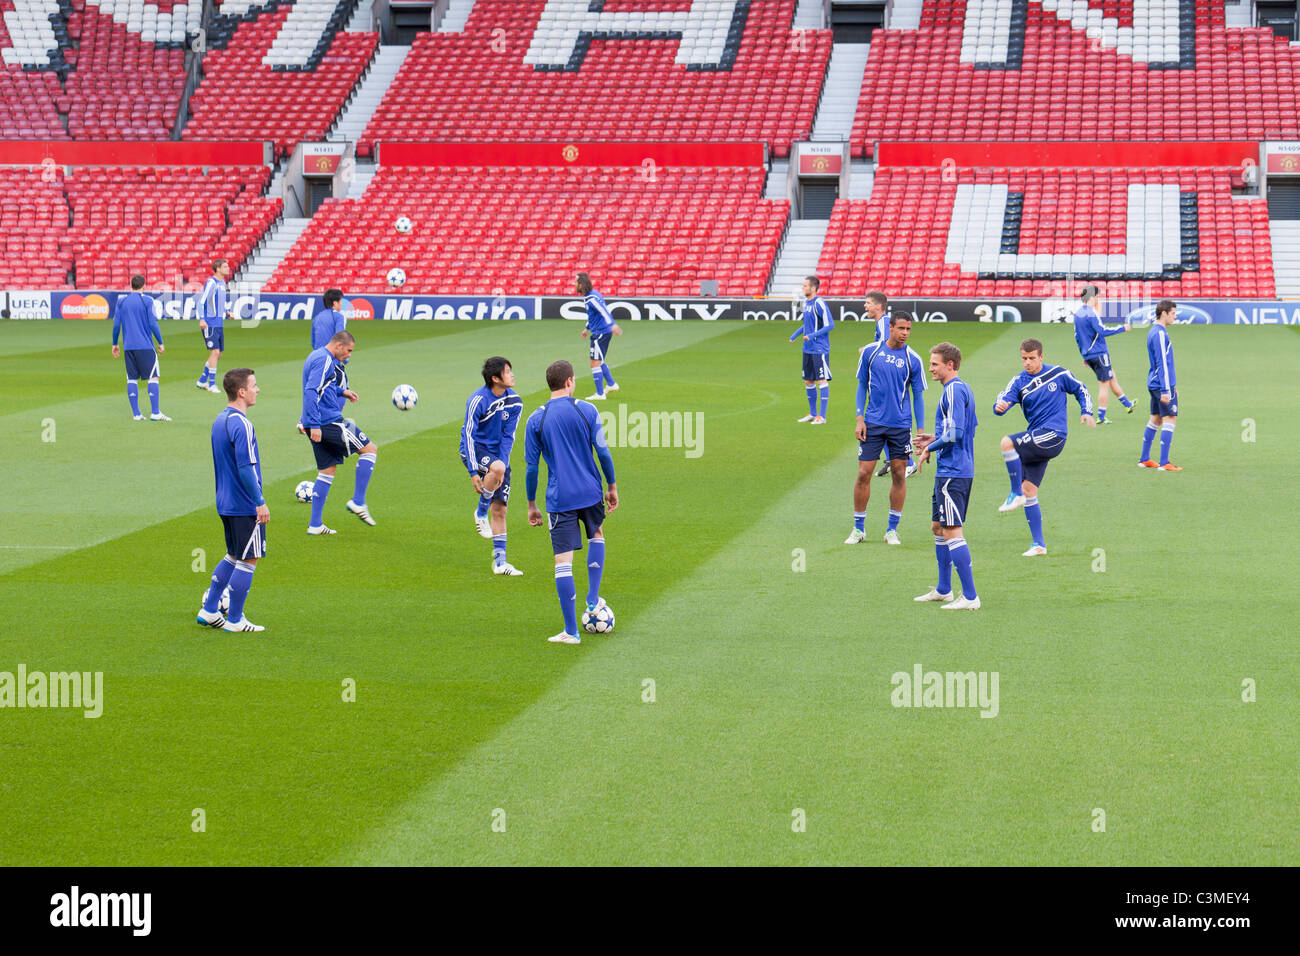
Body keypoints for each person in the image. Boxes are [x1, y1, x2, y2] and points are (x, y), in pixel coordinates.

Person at [525, 360, 618, 644]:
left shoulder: (536, 419)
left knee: (563, 561)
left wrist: (531, 503)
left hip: (560, 497)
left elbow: (531, 468)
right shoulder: (587, 409)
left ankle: (572, 631)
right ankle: (592, 599)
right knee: (597, 534)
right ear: (569, 382)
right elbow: (602, 452)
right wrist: (611, 485)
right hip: (591, 491)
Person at [993, 338, 1095, 556]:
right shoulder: (1019, 381)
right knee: (1030, 490)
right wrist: (999, 407)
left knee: (1007, 443)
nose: (1027, 363)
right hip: (1037, 437)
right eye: (1024, 358)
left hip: (1054, 434)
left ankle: (1014, 494)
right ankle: (1038, 545)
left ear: (1041, 356)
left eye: (1031, 358)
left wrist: (1087, 411)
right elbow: (1003, 399)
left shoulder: (1058, 373)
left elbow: (1081, 389)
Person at [198, 368, 268, 632]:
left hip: (224, 501)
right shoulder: (243, 424)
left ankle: (209, 609)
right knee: (249, 559)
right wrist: (259, 501)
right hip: (243, 503)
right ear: (242, 392)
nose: (257, 389)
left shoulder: (220, 419)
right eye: (254, 385)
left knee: (232, 554)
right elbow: (245, 467)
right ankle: (236, 620)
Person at [849, 310, 926, 546]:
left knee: (899, 473)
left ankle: (892, 530)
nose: (905, 333)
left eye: (909, 329)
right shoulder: (871, 352)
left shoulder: (913, 359)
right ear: (890, 328)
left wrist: (921, 431)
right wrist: (859, 418)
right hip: (872, 422)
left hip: (900, 426)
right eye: (901, 328)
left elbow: (918, 396)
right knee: (864, 473)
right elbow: (862, 385)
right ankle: (858, 528)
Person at [914, 343, 980, 609]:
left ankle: (971, 597)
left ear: (950, 365)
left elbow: (957, 433)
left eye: (934, 364)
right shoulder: (958, 390)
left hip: (955, 472)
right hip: (949, 470)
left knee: (952, 531)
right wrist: (934, 437)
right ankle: (944, 589)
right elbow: (959, 430)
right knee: (938, 527)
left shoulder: (953, 390)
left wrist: (930, 447)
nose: (930, 368)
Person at [301, 331, 378, 533]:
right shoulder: (325, 360)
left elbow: (324, 385)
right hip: (328, 421)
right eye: (349, 350)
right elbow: (311, 390)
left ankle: (315, 524)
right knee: (370, 450)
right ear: (338, 346)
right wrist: (314, 424)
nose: (349, 355)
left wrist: (341, 391)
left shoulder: (316, 356)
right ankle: (358, 501)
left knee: (327, 470)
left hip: (318, 421)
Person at [461, 356, 524, 575]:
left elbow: (509, 437)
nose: (512, 374)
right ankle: (480, 511)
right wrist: (472, 470)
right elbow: (468, 434)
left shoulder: (515, 401)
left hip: (498, 457)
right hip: (474, 450)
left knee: (501, 509)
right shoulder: (478, 399)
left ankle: (499, 563)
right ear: (495, 378)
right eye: (508, 371)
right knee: (496, 469)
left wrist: (503, 465)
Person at [1072, 284, 1134, 423]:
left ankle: (1128, 404)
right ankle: (1100, 417)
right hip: (1099, 353)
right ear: (1092, 297)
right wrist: (1122, 328)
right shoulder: (1091, 313)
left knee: (1112, 378)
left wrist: (1084, 355)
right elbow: (1103, 330)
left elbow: (1077, 336)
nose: (1098, 300)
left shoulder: (1078, 314)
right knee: (1104, 384)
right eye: (1098, 297)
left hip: (1089, 354)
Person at [111, 274, 169, 421]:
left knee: (131, 379)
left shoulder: (121, 302)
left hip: (128, 347)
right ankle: (155, 412)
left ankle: (136, 414)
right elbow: (152, 323)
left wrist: (115, 343)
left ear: (131, 286)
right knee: (153, 377)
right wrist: (160, 342)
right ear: (144, 286)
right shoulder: (147, 300)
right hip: (145, 346)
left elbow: (116, 325)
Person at [1140, 299, 1181, 471]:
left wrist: (1172, 386)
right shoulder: (1160, 334)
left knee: (1155, 419)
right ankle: (1164, 462)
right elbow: (1162, 363)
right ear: (1163, 313)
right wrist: (1167, 389)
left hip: (1156, 382)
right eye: (1172, 314)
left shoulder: (1154, 332)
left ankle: (1145, 458)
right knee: (1170, 419)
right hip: (1161, 385)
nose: (1174, 317)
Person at [789, 275, 833, 424]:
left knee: (822, 379)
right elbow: (806, 324)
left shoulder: (819, 303)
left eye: (805, 286)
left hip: (819, 349)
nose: (803, 288)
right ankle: (813, 413)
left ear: (813, 288)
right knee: (808, 380)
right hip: (807, 348)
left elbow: (830, 325)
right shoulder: (806, 303)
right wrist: (795, 335)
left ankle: (822, 416)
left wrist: (812, 335)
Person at [576, 272, 622, 400]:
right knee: (599, 360)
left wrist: (612, 325)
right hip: (601, 331)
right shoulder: (593, 294)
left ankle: (600, 394)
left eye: (576, 282)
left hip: (600, 333)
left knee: (594, 363)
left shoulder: (591, 298)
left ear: (581, 284)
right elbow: (594, 316)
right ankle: (612, 384)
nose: (575, 285)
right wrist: (587, 328)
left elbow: (603, 311)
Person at [195, 259, 233, 393]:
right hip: (210, 322)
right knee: (215, 352)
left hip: (219, 322)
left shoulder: (222, 283)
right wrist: (202, 319)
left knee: (218, 354)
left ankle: (201, 380)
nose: (228, 268)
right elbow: (201, 302)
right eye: (225, 266)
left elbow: (219, 302)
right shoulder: (212, 283)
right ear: (217, 269)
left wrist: (226, 312)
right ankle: (211, 384)